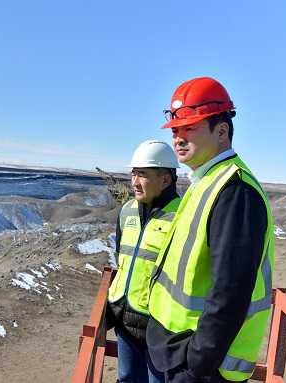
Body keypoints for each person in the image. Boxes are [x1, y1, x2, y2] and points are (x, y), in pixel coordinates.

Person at [147, 77, 275, 383]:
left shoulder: (235, 190)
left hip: (205, 368)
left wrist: (196, 366)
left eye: (190, 128)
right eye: (176, 130)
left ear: (222, 131)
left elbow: (230, 292)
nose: (178, 138)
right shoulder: (205, 181)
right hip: (177, 350)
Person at [107, 140, 180, 383]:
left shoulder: (182, 217)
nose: (135, 182)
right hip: (125, 320)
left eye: (143, 175)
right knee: (127, 378)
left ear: (166, 179)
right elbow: (122, 259)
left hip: (158, 327)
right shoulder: (127, 211)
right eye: (133, 173)